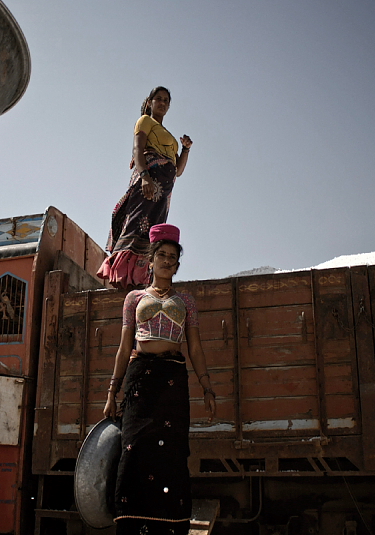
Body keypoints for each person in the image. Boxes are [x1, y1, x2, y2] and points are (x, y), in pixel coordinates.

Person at [103, 224, 216, 535]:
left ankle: (171, 527)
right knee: (134, 449)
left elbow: (194, 346)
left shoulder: (187, 301)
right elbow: (125, 346)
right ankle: (131, 526)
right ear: (150, 261)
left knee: (172, 453)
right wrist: (112, 392)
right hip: (141, 382)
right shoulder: (133, 299)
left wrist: (207, 387)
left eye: (173, 257)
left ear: (177, 264)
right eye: (162, 255)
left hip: (172, 381)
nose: (168, 261)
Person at [98, 87, 193, 289]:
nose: (162, 103)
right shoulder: (145, 121)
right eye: (158, 99)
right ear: (150, 102)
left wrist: (185, 149)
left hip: (164, 192)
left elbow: (178, 170)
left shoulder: (170, 136)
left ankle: (143, 278)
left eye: (166, 100)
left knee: (153, 233)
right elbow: (138, 149)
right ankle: (123, 276)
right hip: (149, 181)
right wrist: (144, 176)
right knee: (136, 224)